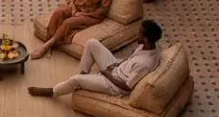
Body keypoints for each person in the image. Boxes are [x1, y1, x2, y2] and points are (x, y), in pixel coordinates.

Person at [28, 20, 163, 98]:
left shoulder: (146, 63)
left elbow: (127, 87)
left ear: (145, 39)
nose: (137, 35)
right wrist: (115, 65)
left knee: (75, 80)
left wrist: (107, 74)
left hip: (114, 85)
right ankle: (84, 76)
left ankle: (53, 91)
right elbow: (131, 60)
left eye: (139, 34)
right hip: (117, 68)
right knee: (92, 43)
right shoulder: (149, 45)